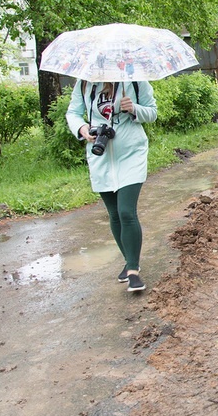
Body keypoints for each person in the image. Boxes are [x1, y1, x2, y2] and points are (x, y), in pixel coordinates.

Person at [66, 80, 158, 292]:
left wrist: (134, 108)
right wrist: (82, 128)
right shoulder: (84, 85)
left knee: (126, 211)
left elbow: (152, 112)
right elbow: (72, 112)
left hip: (131, 153)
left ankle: (133, 271)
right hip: (100, 154)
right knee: (114, 214)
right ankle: (129, 260)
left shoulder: (135, 82)